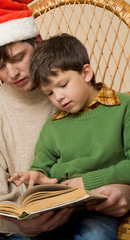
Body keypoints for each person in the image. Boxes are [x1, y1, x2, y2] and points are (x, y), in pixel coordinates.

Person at [0, 0, 130, 239]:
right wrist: (24, 222)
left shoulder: (82, 93)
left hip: (90, 211)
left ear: (37, 42)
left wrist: (126, 190)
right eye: (0, 67)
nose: (12, 74)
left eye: (18, 58)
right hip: (25, 222)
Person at [9, 33, 130, 239]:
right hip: (57, 212)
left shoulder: (123, 107)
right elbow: (42, 166)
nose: (58, 97)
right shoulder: (53, 126)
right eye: (49, 93)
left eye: (63, 85)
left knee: (95, 235)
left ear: (86, 73)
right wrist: (35, 175)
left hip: (97, 211)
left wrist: (87, 182)